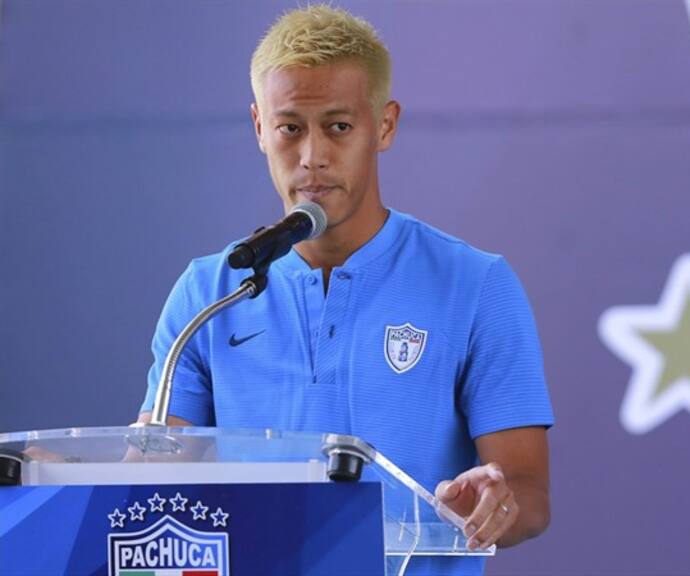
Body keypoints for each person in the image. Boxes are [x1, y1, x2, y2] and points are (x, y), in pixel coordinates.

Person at [138, 5, 553, 573]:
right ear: (260, 127)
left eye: (338, 126)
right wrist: (62, 475)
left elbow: (529, 494)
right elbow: (159, 472)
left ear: (383, 125)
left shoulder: (476, 284)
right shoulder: (207, 292)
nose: (312, 157)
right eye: (290, 128)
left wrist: (493, 502)